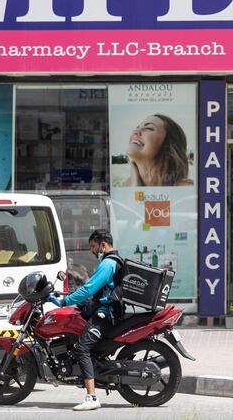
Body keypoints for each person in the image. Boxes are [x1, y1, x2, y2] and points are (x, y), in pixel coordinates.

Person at [47, 229, 123, 411]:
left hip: (105, 314)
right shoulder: (112, 262)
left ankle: (91, 397)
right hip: (104, 310)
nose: (92, 251)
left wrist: (65, 301)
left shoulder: (108, 264)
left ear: (103, 244)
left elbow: (89, 289)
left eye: (93, 246)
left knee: (82, 348)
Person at [125, 114, 193, 187]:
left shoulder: (186, 187)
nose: (136, 131)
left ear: (169, 146)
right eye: (137, 127)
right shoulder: (128, 184)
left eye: (149, 128)